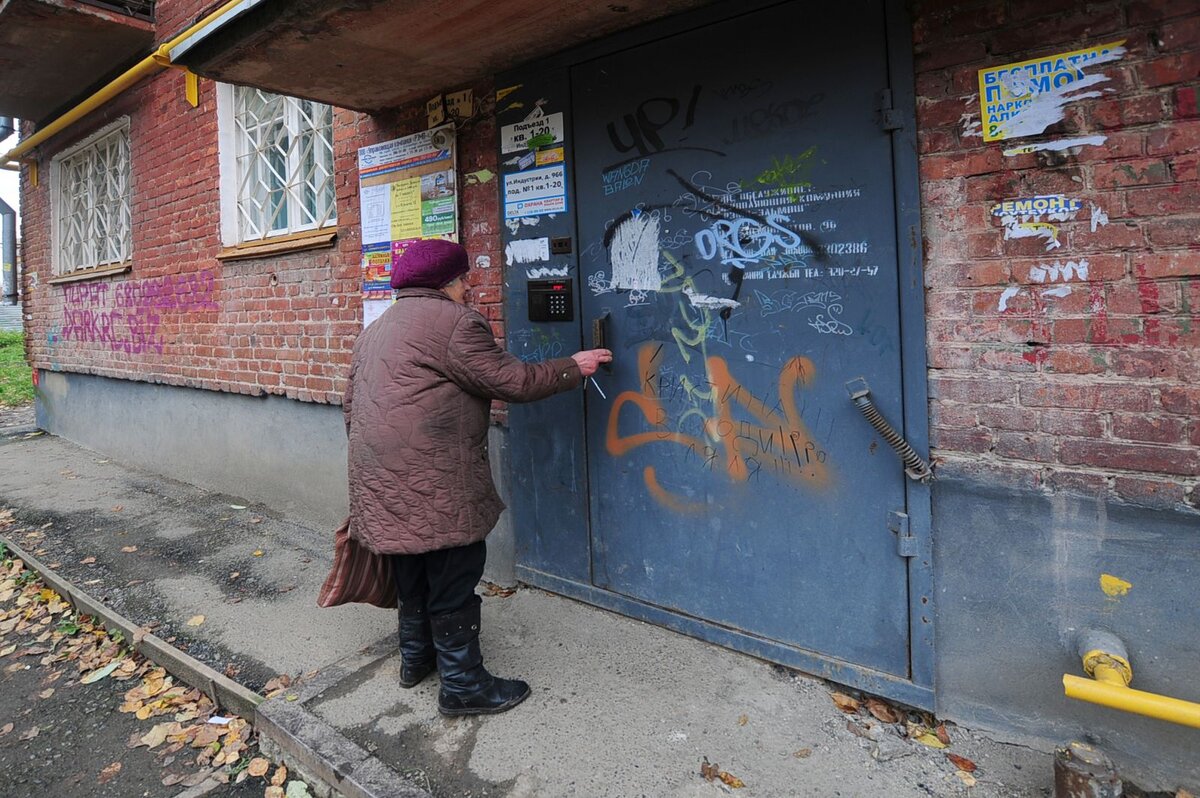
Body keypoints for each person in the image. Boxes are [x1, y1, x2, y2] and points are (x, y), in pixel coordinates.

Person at [342, 238, 611, 716]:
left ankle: (415, 659)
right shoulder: (454, 323)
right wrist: (574, 365)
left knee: (412, 563)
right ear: (448, 283)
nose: (469, 289)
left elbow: (350, 406)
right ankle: (463, 686)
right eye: (464, 280)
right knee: (454, 568)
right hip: (434, 474)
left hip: (378, 472)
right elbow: (513, 382)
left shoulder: (377, 328)